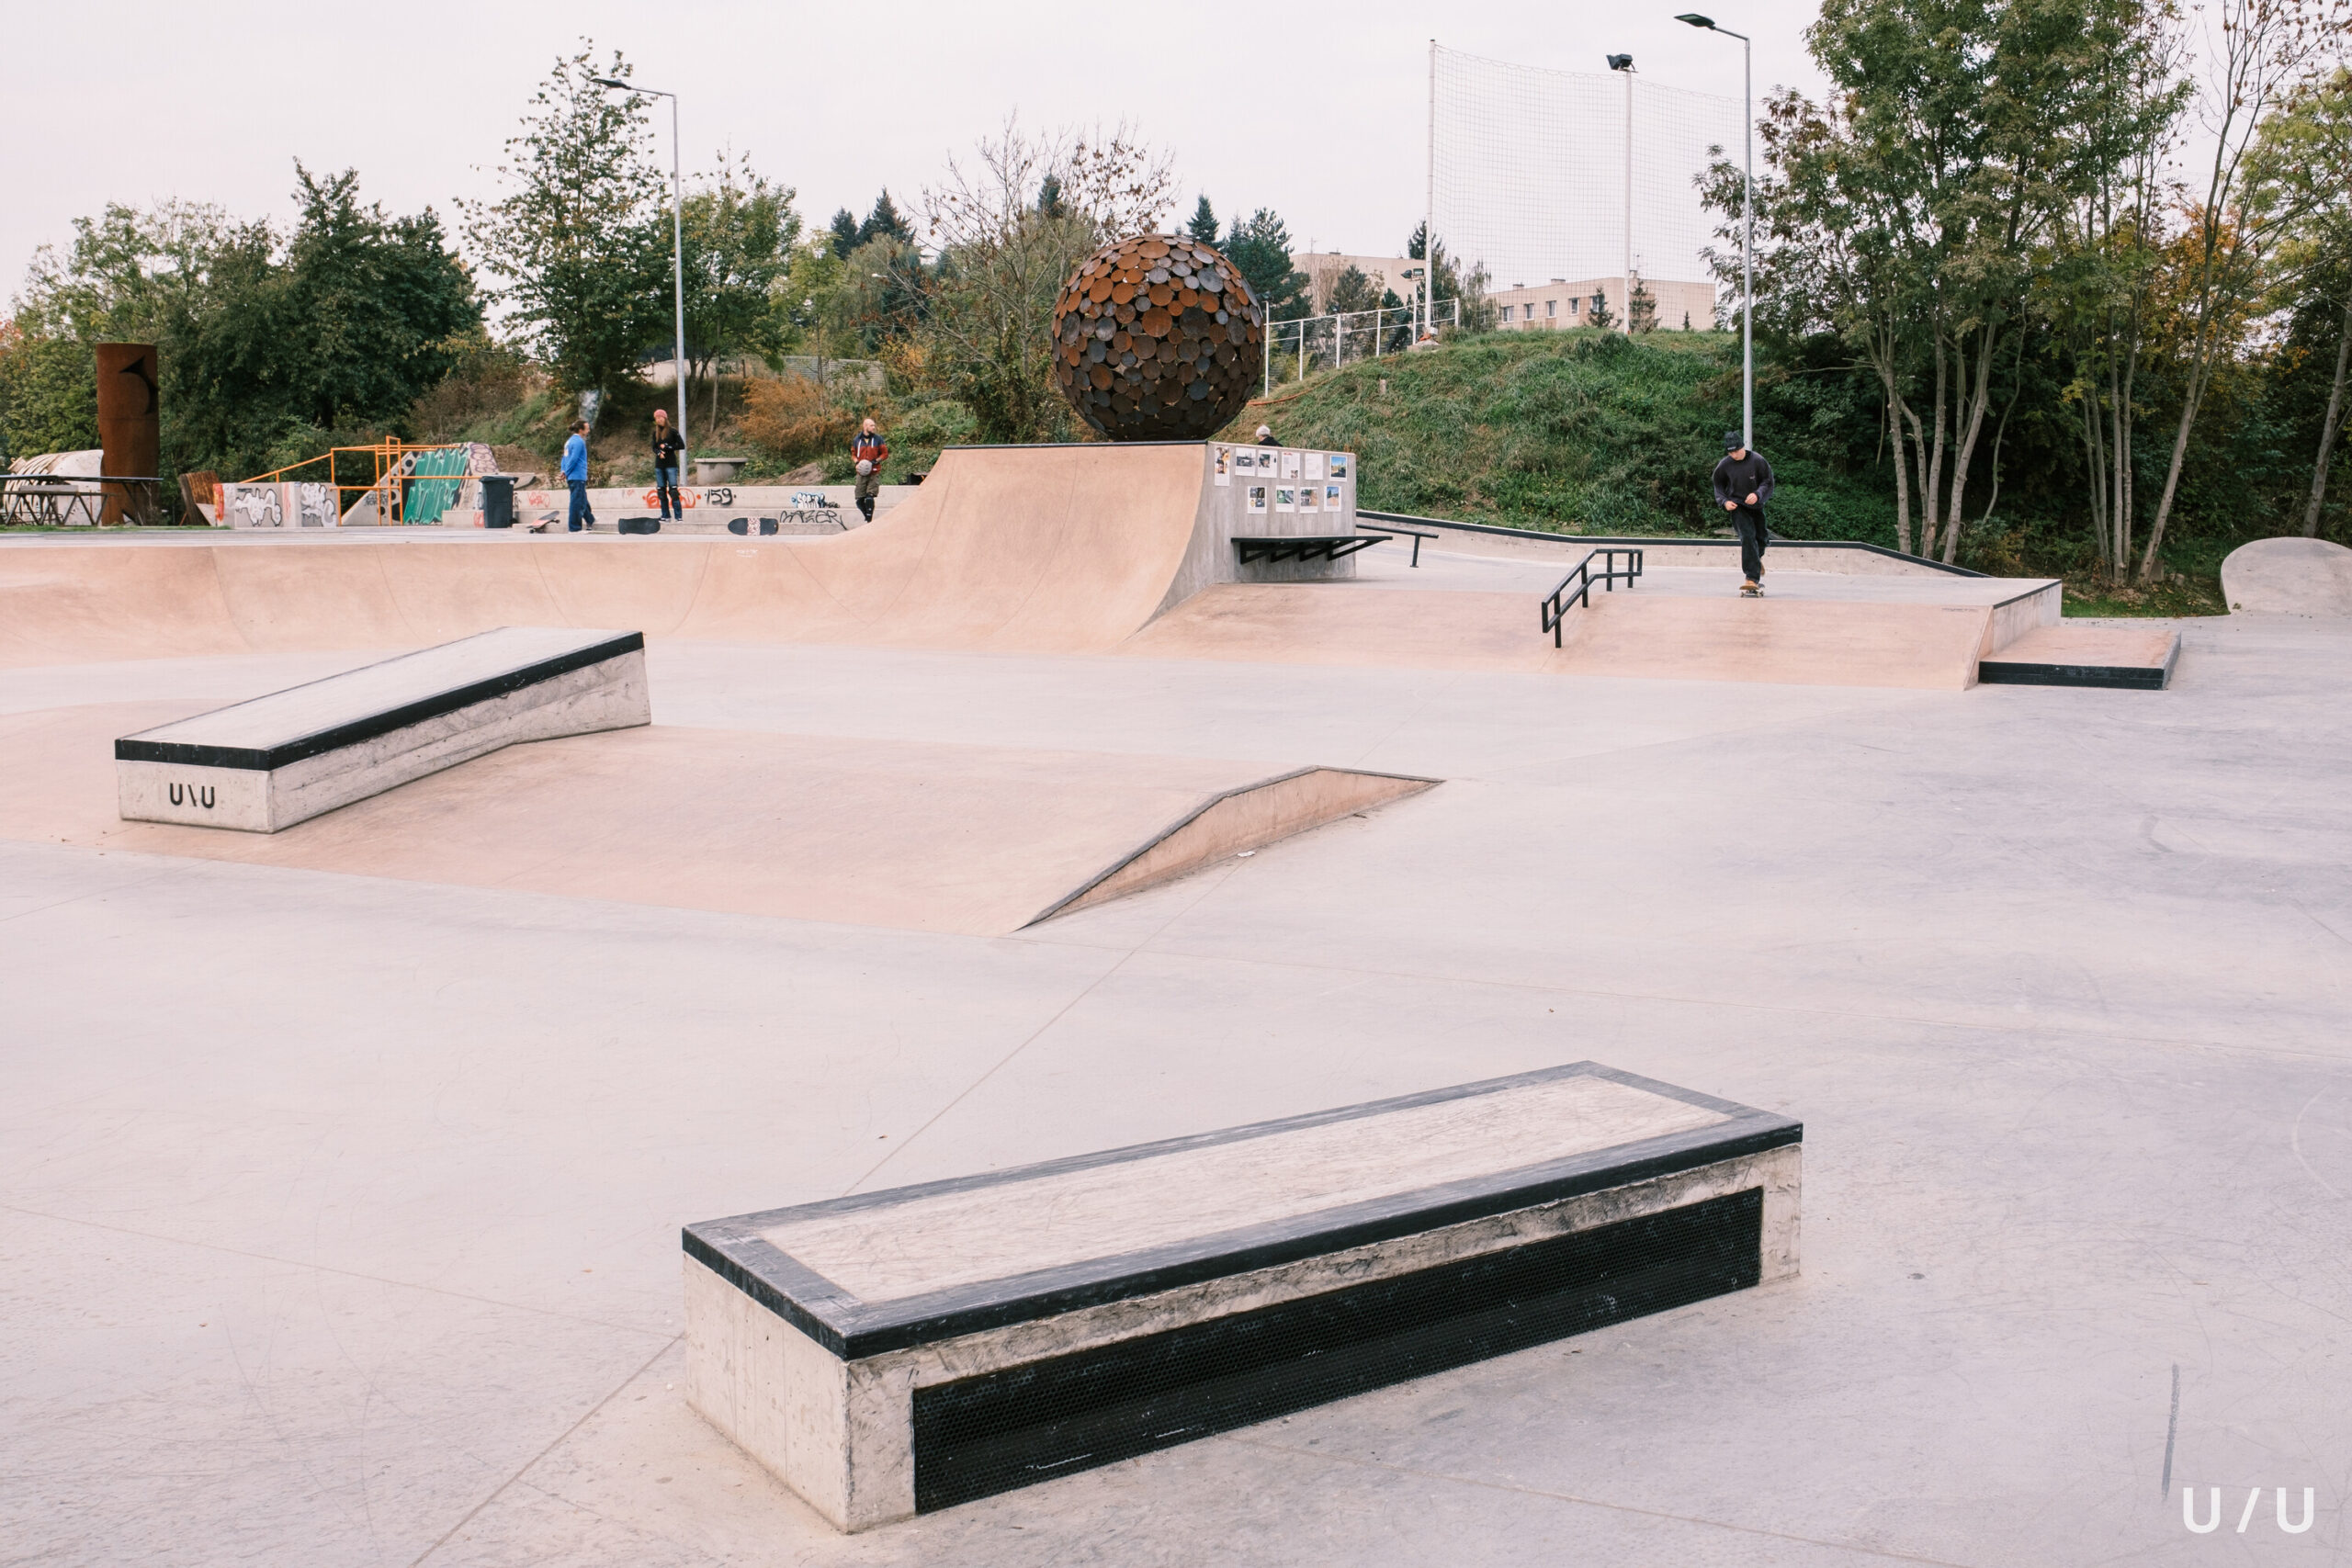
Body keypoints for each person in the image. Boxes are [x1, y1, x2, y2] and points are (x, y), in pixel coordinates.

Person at [1713, 430, 1775, 596]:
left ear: (1742, 446)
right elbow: (1718, 486)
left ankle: (1756, 559)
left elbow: (1767, 481)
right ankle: (1751, 578)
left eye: (1736, 450)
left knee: (1761, 539)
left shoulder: (1757, 460)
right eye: (1730, 452)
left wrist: (1757, 494)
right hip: (1738, 506)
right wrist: (1724, 502)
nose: (1734, 454)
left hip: (1756, 505)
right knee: (1747, 536)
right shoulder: (1724, 465)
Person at [851, 418, 888, 522]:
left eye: (874, 425)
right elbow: (853, 454)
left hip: (874, 471)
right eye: (871, 426)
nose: (873, 427)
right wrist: (857, 462)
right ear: (865, 426)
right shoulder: (857, 439)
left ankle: (869, 520)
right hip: (861, 472)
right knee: (859, 500)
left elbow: (885, 454)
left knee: (869, 497)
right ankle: (866, 516)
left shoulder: (878, 439)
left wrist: (875, 461)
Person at [651, 408, 685, 521]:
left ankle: (678, 516)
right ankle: (665, 515)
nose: (658, 420)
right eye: (656, 418)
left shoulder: (673, 431)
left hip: (671, 464)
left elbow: (681, 445)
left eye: (660, 417)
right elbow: (653, 447)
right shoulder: (655, 433)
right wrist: (659, 452)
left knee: (673, 491)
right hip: (659, 465)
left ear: (665, 418)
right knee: (661, 491)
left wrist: (668, 447)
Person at [561, 420, 594, 534]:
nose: (589, 430)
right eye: (587, 428)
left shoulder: (569, 441)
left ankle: (590, 519)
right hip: (577, 475)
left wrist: (563, 470)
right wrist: (566, 472)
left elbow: (564, 458)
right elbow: (573, 459)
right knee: (577, 502)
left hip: (572, 476)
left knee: (581, 498)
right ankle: (574, 528)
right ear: (581, 430)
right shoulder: (579, 442)